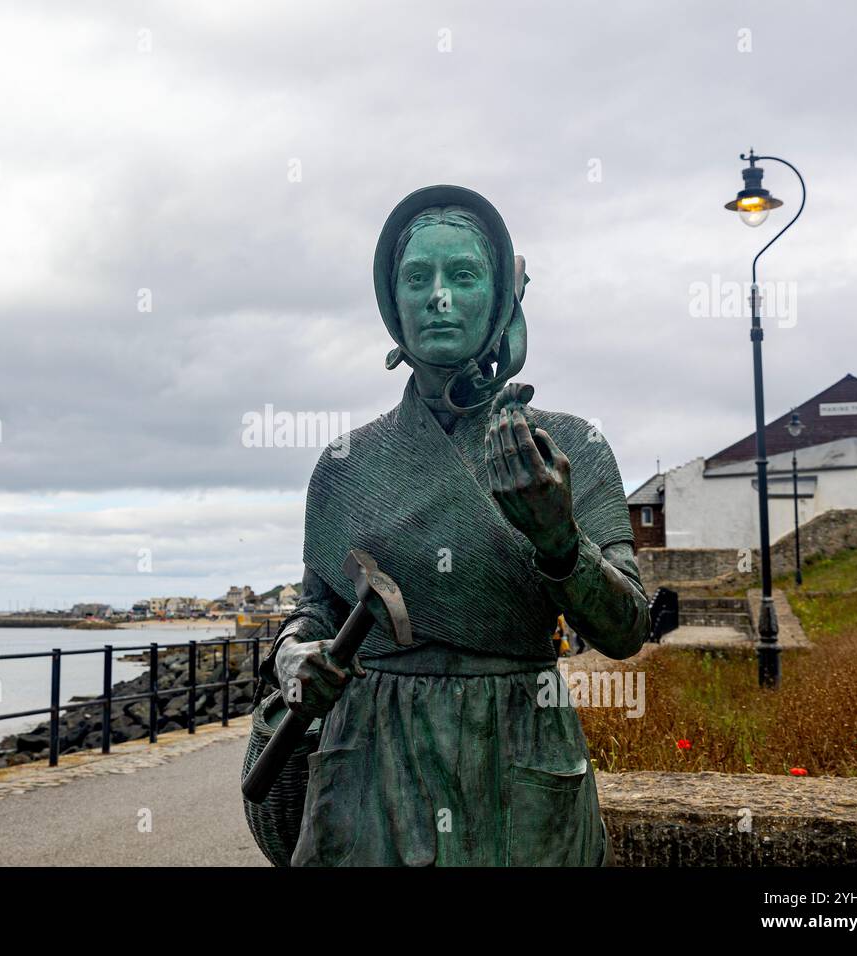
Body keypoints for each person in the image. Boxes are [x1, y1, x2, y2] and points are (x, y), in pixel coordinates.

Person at [258, 185, 650, 866]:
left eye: (463, 274)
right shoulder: (346, 465)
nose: (439, 296)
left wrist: (559, 540)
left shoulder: (569, 448)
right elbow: (315, 611)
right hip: (368, 764)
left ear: (499, 299)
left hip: (517, 753)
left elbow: (625, 631)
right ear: (393, 303)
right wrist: (294, 656)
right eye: (418, 277)